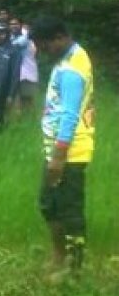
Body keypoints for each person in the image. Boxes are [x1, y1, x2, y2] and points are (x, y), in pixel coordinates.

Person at [30, 16, 94, 277]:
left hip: (69, 152)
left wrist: (59, 156)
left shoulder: (71, 69)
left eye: (45, 46)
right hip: (58, 150)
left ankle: (74, 268)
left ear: (59, 37)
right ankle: (59, 256)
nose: (43, 52)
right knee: (49, 204)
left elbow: (69, 114)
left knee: (69, 210)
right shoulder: (69, 57)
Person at [9, 16, 39, 115]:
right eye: (11, 24)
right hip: (16, 74)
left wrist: (25, 30)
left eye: (16, 24)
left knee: (28, 100)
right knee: (18, 100)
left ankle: (28, 120)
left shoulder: (26, 39)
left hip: (27, 74)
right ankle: (21, 122)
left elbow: (15, 45)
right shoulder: (12, 37)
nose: (13, 26)